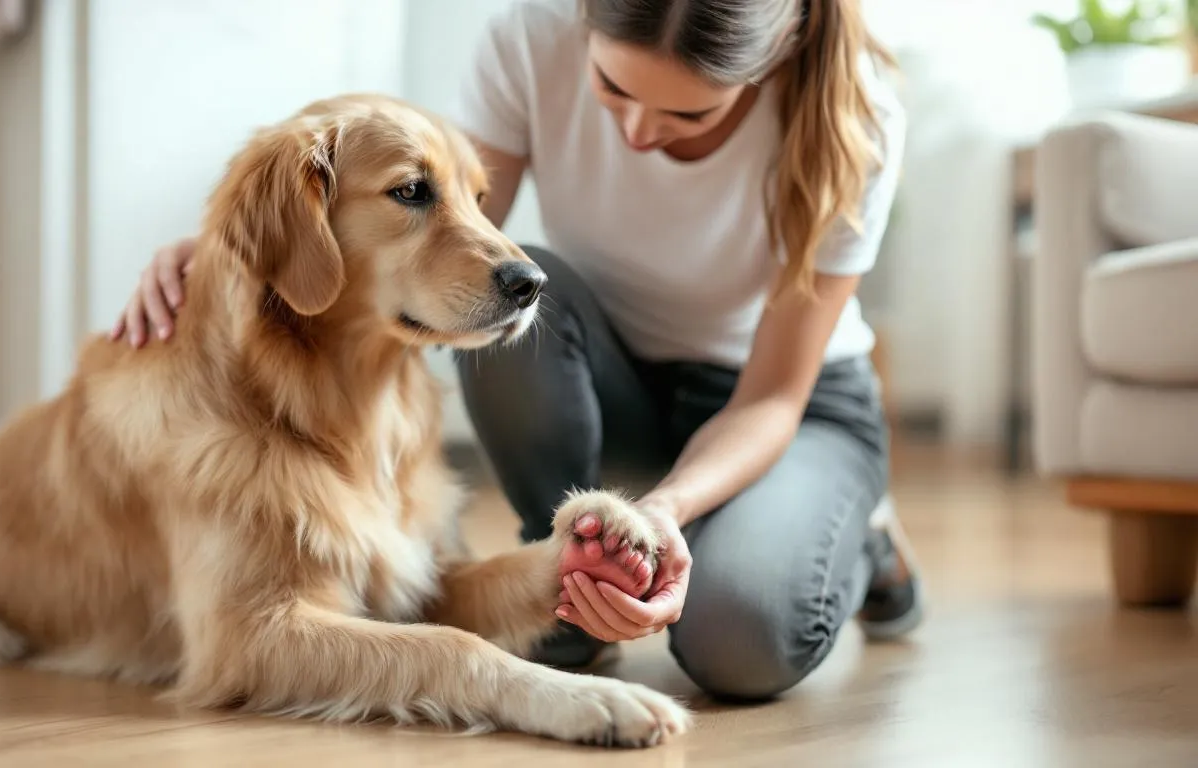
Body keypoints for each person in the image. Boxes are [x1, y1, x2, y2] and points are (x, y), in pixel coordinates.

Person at [112, 0, 923, 702]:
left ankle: (859, 531)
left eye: (688, 117)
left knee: (740, 647)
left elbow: (771, 400)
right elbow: (439, 236)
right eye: (613, 89)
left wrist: (665, 511)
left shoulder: (858, 116)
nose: (639, 131)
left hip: (783, 410)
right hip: (609, 378)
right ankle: (576, 576)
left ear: (767, 66)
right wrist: (238, 246)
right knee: (514, 292)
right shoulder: (532, 38)